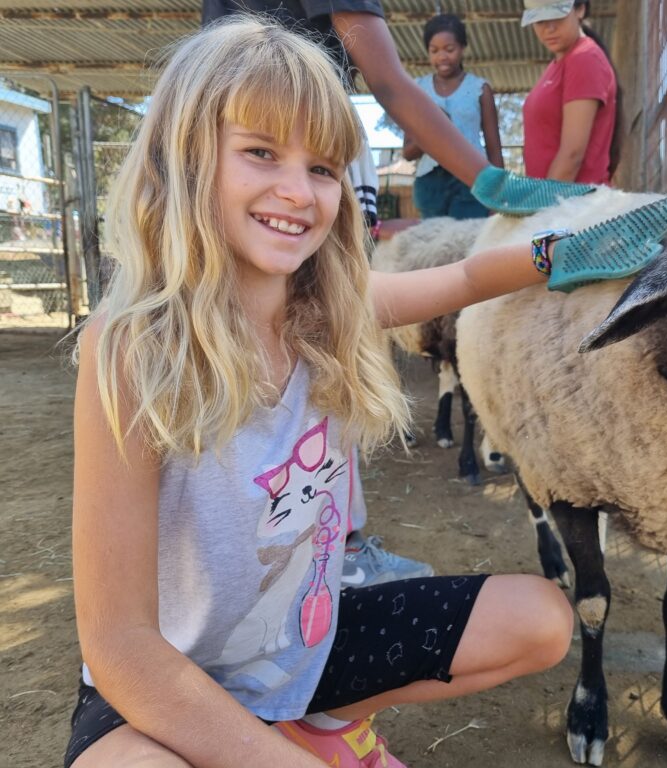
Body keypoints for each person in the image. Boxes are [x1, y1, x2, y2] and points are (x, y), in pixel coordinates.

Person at [65, 19, 575, 768]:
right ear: (186, 158)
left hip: (300, 648)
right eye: (261, 153)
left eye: (324, 167)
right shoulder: (132, 350)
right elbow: (120, 645)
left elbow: (465, 278)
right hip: (161, 682)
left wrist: (560, 248)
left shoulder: (332, 310)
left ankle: (317, 722)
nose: (297, 192)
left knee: (544, 620)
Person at [203, 0, 593, 219]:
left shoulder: (481, 88)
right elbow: (389, 84)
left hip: (231, 160)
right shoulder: (306, 182)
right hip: (315, 144)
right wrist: (496, 185)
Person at [403, 14, 503, 220]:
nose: (442, 57)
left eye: (450, 49)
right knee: (434, 246)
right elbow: (408, 152)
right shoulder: (416, 89)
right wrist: (435, 127)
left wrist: (498, 196)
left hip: (472, 181)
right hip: (430, 184)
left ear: (463, 47)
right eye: (434, 50)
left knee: (469, 243)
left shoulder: (479, 89)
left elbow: (494, 149)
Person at [521, 0, 621, 185]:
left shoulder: (584, 58)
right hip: (560, 202)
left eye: (557, 16)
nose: (549, 29)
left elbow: (572, 155)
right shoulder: (559, 64)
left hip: (574, 205)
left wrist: (543, 207)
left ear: (580, 10)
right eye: (540, 21)